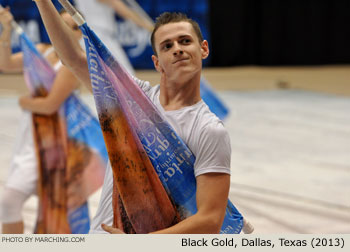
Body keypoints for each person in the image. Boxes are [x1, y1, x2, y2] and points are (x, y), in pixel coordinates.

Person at [34, 0, 232, 234]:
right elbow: (73, 59)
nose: (177, 48)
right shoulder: (130, 100)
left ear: (204, 49)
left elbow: (209, 221)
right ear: (157, 63)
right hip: (100, 237)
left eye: (185, 41)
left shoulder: (209, 130)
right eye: (167, 46)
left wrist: (138, 244)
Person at [0, 7, 85, 234]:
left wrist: (24, 101)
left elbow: (49, 105)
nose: (68, 30)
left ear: (80, 33)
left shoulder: (72, 67)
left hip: (54, 142)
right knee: (15, 204)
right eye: (62, 24)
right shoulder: (40, 51)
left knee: (28, 207)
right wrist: (6, 28)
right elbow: (6, 64)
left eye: (74, 27)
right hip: (29, 136)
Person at [73, 0, 154, 74]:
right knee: (127, 75)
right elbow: (123, 10)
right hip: (100, 36)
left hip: (88, 35)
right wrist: (149, 27)